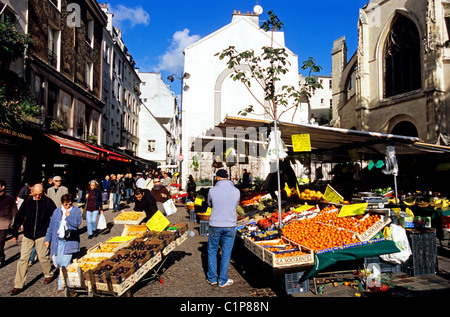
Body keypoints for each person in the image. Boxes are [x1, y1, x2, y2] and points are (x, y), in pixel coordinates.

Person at [9, 184, 57, 295]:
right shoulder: (27, 202)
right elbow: (19, 217)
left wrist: (53, 233)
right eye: (35, 194)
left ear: (43, 192)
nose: (37, 196)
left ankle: (48, 274)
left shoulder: (48, 202)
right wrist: (15, 233)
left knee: (42, 256)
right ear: (32, 192)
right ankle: (18, 285)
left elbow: (55, 217)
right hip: (28, 234)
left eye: (39, 194)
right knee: (23, 259)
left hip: (42, 234)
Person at [206, 169, 240, 287]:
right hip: (230, 224)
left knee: (212, 250)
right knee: (226, 252)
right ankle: (222, 280)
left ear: (218, 178)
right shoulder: (236, 191)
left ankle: (212, 278)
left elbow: (210, 204)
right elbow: (236, 205)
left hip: (215, 223)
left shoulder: (212, 190)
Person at [44, 193, 82, 291]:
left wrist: (69, 217)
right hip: (57, 241)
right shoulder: (57, 211)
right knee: (58, 261)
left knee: (65, 262)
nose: (68, 206)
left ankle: (62, 283)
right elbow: (51, 227)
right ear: (62, 203)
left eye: (70, 204)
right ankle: (73, 276)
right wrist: (47, 239)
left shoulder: (76, 211)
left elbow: (77, 224)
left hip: (69, 242)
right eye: (66, 204)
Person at [0, 180, 18, 268]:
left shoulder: (9, 198)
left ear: (2, 187)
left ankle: (0, 259)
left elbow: (15, 212)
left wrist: (18, 224)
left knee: (0, 242)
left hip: (4, 224)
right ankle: (1, 256)